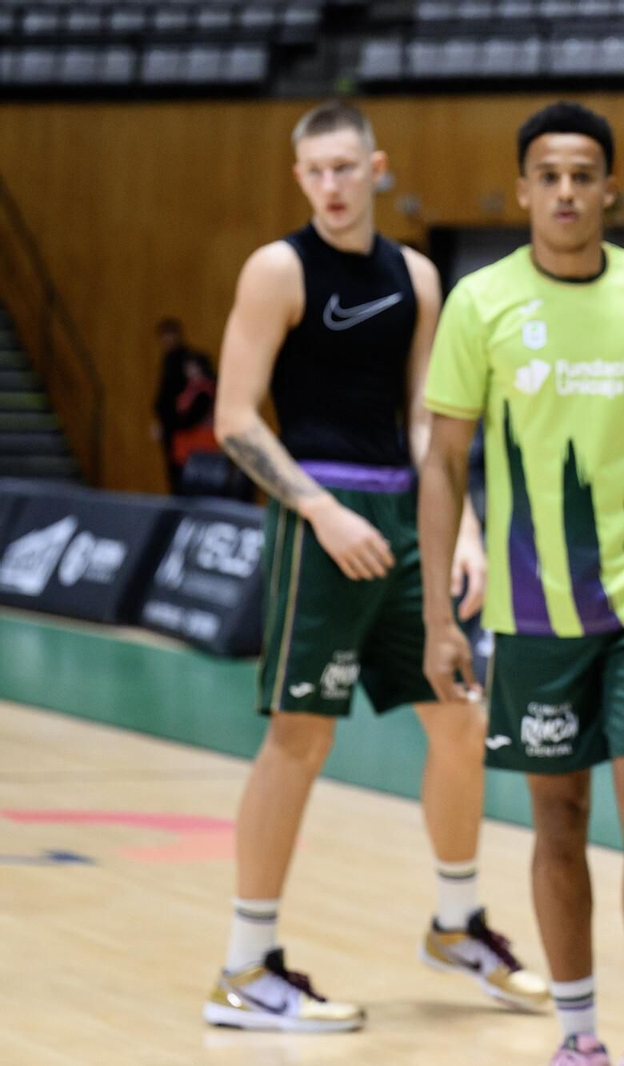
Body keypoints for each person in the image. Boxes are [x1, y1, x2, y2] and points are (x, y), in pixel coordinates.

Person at [205, 100, 549, 1032]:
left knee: (459, 717)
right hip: (317, 515)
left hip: (406, 514)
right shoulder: (278, 269)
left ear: (375, 168)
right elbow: (235, 417)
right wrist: (316, 510)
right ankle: (246, 968)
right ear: (300, 177)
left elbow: (428, 420)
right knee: (301, 737)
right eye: (314, 170)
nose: (330, 185)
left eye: (345, 168)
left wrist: (463, 528)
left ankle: (456, 921)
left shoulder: (418, 277)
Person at [418, 102, 624, 1066]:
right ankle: (576, 1037)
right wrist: (440, 615)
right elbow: (442, 463)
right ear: (523, 189)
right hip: (529, 615)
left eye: (583, 175)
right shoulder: (478, 302)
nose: (566, 191)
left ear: (611, 190)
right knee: (558, 816)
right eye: (548, 175)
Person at [151, 318, 221, 494]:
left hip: (198, 445)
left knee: (194, 486)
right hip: (185, 443)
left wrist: (168, 423)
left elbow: (190, 417)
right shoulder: (191, 387)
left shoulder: (203, 390)